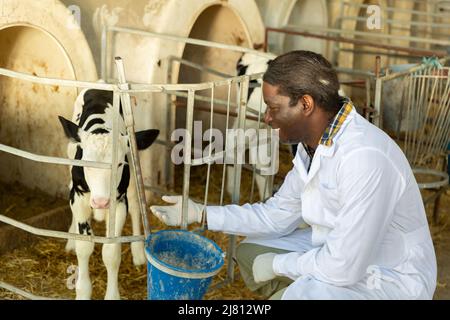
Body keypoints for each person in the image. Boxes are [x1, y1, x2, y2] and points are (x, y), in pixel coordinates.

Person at [150, 51, 437, 300]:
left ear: (306, 104)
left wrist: (280, 265)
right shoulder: (313, 145)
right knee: (251, 253)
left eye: (274, 107)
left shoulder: (364, 158)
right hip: (338, 249)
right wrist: (202, 213)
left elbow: (344, 266)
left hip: (389, 272)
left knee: (287, 283)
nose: (267, 118)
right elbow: (276, 215)